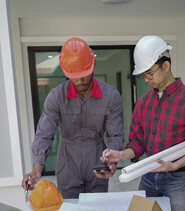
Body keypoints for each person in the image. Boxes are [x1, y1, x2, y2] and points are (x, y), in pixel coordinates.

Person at [96, 35, 185, 211]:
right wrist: (120, 154)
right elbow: (138, 143)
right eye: (143, 75)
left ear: (166, 65)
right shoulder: (143, 103)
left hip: (180, 179)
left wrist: (175, 165)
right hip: (149, 175)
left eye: (149, 73)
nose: (147, 79)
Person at [22, 37, 124, 199]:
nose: (80, 80)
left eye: (84, 74)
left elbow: (115, 135)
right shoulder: (56, 97)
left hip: (97, 156)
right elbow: (44, 134)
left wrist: (113, 161)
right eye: (74, 76)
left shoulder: (111, 96)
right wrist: (37, 170)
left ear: (93, 65)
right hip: (67, 160)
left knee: (97, 209)